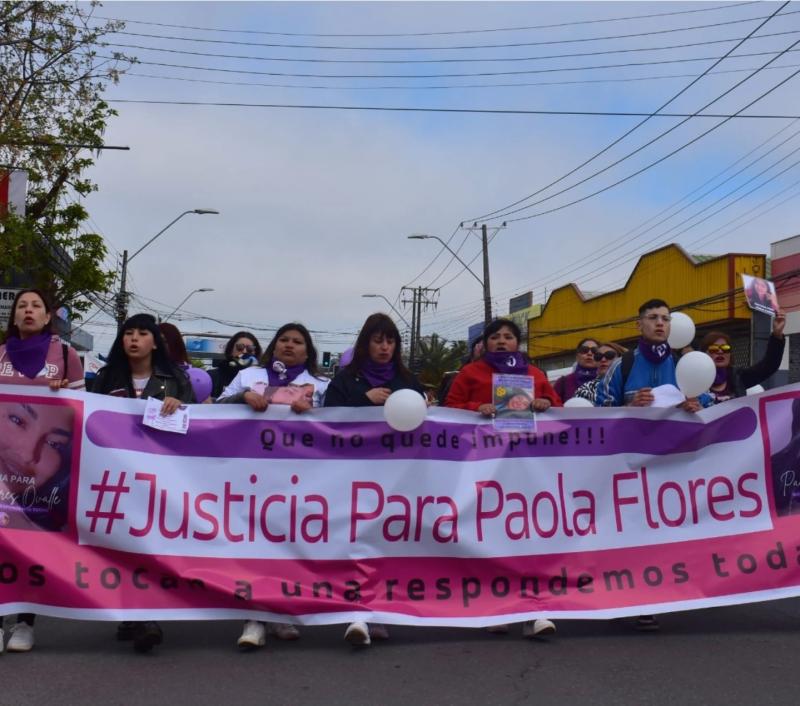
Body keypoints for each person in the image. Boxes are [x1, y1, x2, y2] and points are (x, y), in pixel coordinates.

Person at [445, 318, 561, 639]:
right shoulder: (470, 374)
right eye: (495, 336)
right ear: (484, 343)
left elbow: (562, 411)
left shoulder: (535, 375)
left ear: (518, 343)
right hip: (482, 468)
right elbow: (448, 410)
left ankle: (535, 610)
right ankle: (496, 604)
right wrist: (474, 407)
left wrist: (545, 403)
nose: (501, 341)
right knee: (491, 536)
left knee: (529, 534)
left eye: (508, 337)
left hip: (527, 469)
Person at [217, 322, 330, 650]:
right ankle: (254, 616)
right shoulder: (248, 376)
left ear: (308, 351)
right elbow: (213, 410)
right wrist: (243, 397)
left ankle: (282, 612)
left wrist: (314, 410)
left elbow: (337, 423)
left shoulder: (319, 384)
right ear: (274, 345)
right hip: (253, 472)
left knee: (289, 541)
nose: (290, 345)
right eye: (284, 340)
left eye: (298, 341)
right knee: (255, 541)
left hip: (300, 474)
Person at [91, 313, 195, 653]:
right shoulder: (106, 377)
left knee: (149, 544)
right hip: (114, 475)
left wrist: (181, 406)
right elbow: (88, 419)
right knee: (121, 545)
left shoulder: (175, 379)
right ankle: (131, 614)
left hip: (160, 477)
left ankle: (144, 615)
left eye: (142, 333)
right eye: (128, 333)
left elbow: (199, 425)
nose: (134, 339)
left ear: (155, 341)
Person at [324, 313, 424, 646]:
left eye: (390, 340)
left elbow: (424, 420)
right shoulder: (346, 380)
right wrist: (362, 401)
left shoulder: (408, 380)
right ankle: (355, 611)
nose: (384, 347)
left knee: (386, 544)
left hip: (396, 478)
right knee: (354, 543)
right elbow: (327, 420)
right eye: (378, 340)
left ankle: (380, 612)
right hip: (352, 475)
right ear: (366, 343)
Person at [0, 288, 84, 654]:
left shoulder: (66, 356)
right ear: (14, 316)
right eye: (22, 306)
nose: (29, 311)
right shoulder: (0, 354)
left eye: (36, 306)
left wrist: (65, 393)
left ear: (49, 317)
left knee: (31, 545)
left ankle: (24, 624)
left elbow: (82, 412)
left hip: (41, 475)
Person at [595, 299, 704, 414]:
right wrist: (631, 406)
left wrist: (696, 408)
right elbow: (602, 415)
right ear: (639, 325)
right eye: (652, 317)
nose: (660, 323)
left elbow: (707, 409)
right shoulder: (621, 366)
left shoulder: (683, 366)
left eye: (666, 319)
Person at [700, 314, 785, 405]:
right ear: (705, 353)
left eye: (725, 348)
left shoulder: (738, 376)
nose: (720, 352)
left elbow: (769, 366)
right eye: (714, 349)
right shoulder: (695, 379)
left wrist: (777, 335)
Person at [158, 322, 213, 403]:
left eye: (164, 341)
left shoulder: (191, 376)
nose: (158, 346)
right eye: (156, 341)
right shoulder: (142, 371)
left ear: (175, 344)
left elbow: (206, 409)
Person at [208, 331, 262, 399]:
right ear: (231, 350)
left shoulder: (261, 377)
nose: (244, 351)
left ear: (255, 352)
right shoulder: (212, 376)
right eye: (240, 347)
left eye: (250, 349)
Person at [553, 338, 600, 402]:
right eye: (584, 350)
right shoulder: (563, 382)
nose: (589, 353)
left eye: (594, 351)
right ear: (577, 356)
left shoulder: (607, 383)